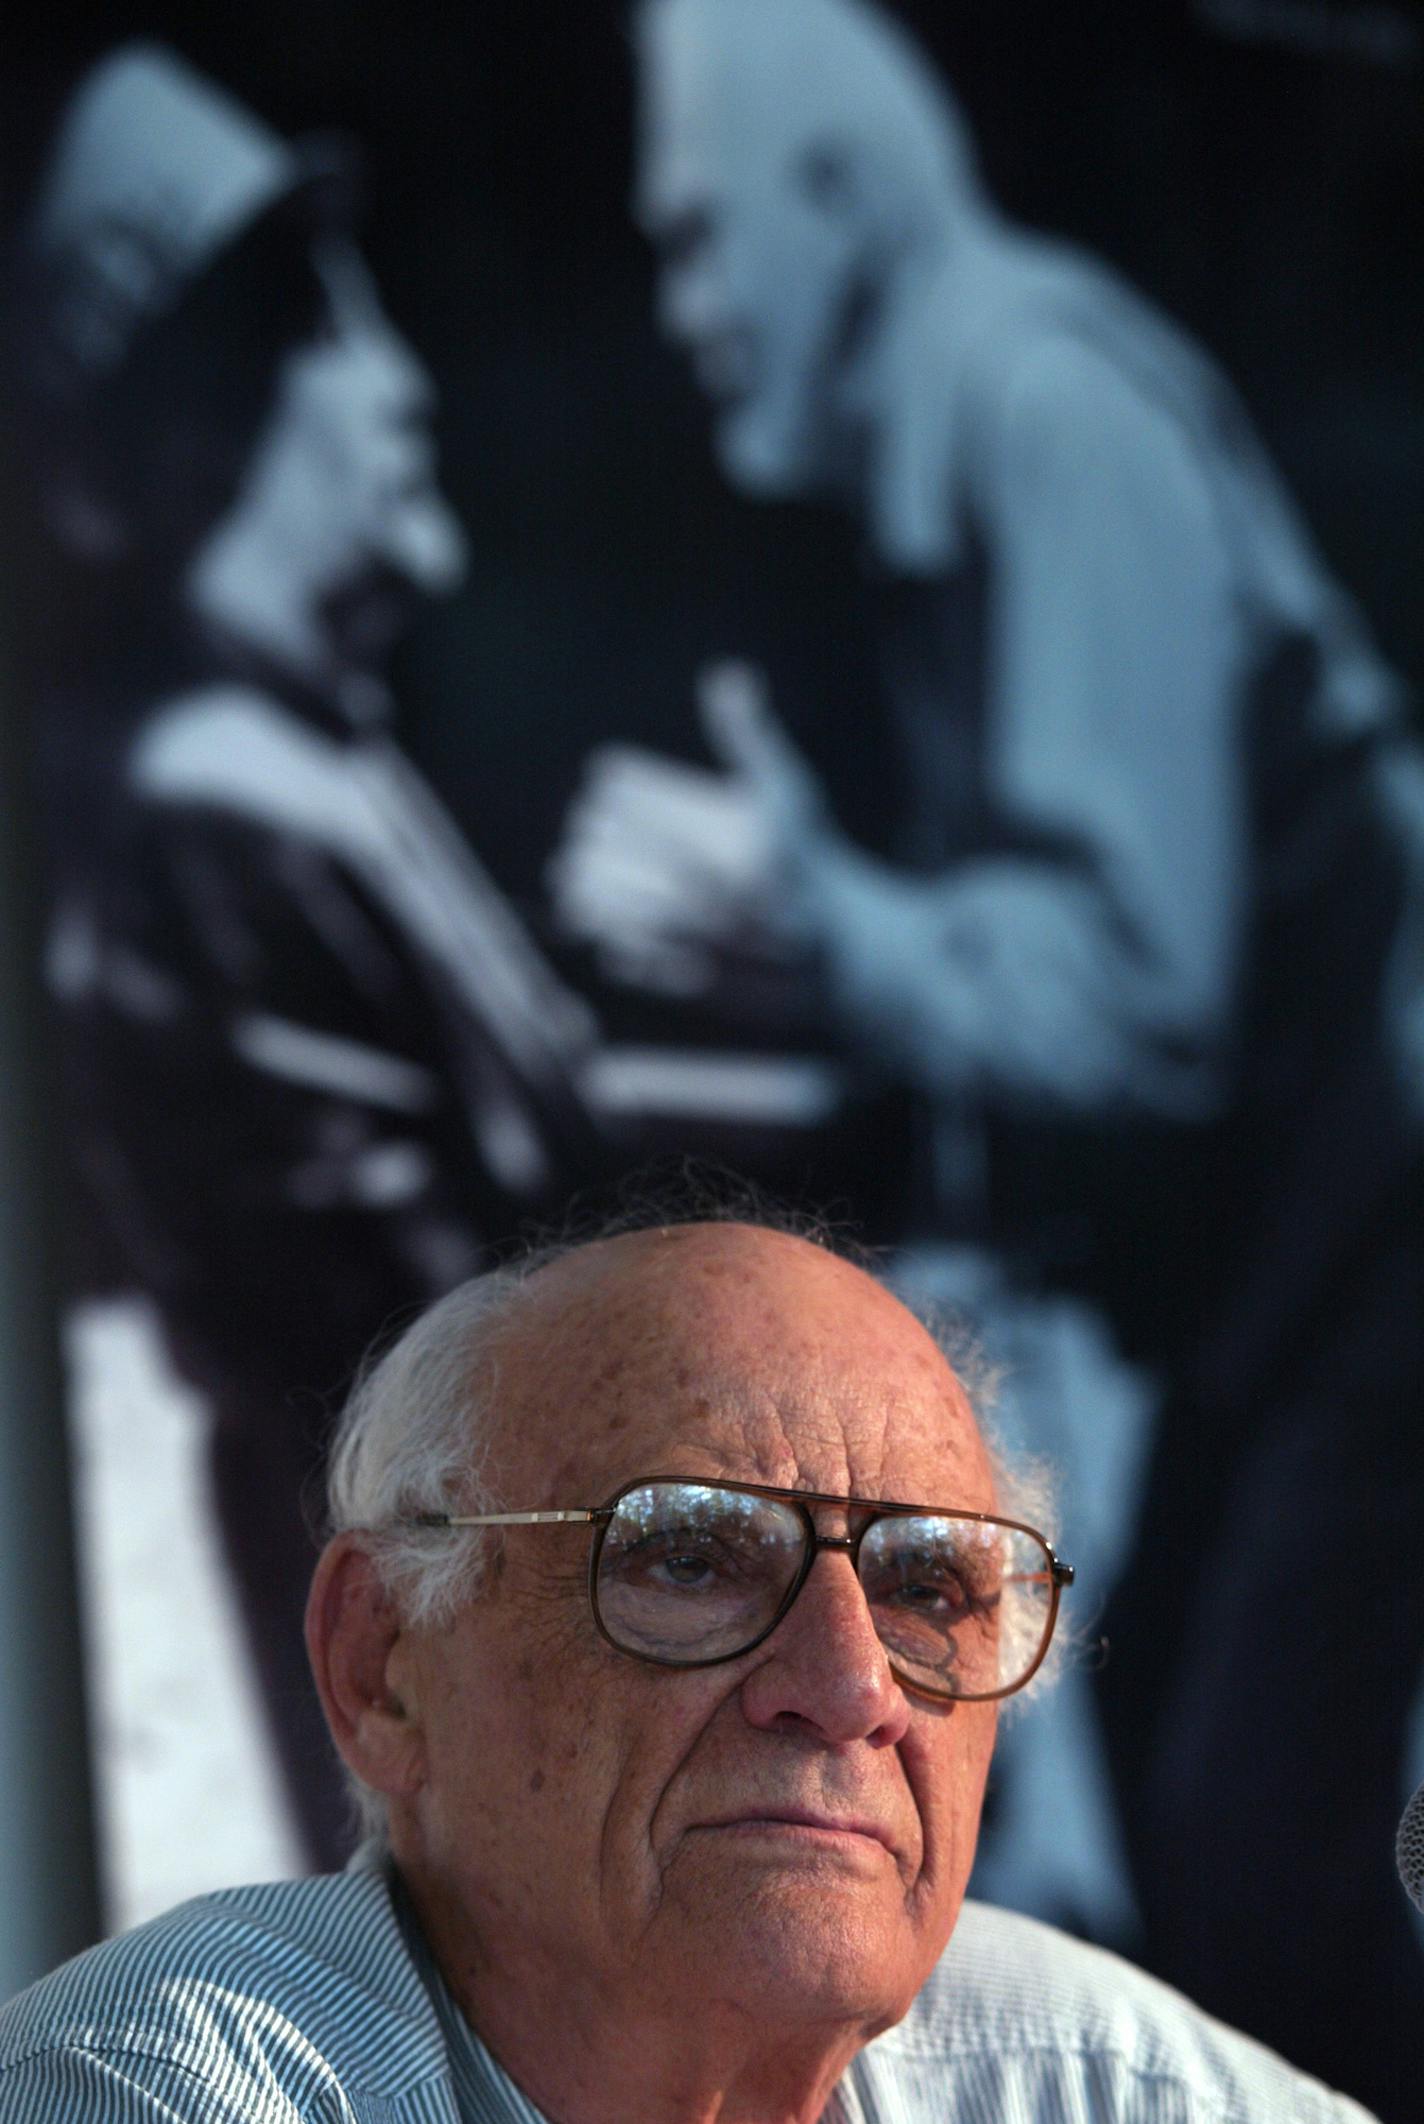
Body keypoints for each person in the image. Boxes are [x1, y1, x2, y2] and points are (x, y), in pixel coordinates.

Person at [549, 0, 1424, 2108]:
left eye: (691, 243)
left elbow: (1131, 999)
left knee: (1257, 1866)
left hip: (1365, 1277)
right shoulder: (959, 431)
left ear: (838, 207)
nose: (678, 318)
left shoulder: (1034, 403)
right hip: (1288, 1301)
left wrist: (807, 921)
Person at [0, 1210, 1380, 2120]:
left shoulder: (1087, 2083)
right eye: (688, 1560)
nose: (849, 1688)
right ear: (384, 1666)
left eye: (924, 1586)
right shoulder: (156, 2088)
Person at [9, 44, 608, 1865]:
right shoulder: (223, 809)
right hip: (442, 1643)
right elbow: (411, 1313)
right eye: (322, 333)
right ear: (203, 431)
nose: (402, 386)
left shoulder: (312, 761)